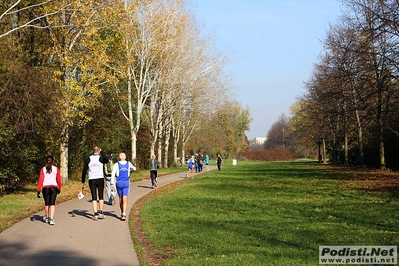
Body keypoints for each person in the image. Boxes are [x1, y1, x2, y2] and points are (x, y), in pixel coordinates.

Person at [81, 146, 109, 221]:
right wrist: (102, 152)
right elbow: (107, 160)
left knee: (94, 196)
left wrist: (83, 180)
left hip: (92, 179)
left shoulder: (89, 158)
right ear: (98, 151)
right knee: (101, 195)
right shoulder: (101, 158)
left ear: (93, 151)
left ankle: (95, 213)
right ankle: (101, 212)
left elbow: (84, 170)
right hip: (100, 178)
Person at [37, 155, 62, 226]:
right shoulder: (56, 169)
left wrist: (38, 189)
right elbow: (59, 180)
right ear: (53, 161)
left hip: (45, 187)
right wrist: (59, 188)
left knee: (47, 203)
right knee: (52, 203)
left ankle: (47, 217)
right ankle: (51, 219)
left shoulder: (43, 169)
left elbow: (41, 180)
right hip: (53, 187)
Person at [111, 152, 136, 221]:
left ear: (119, 157)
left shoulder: (116, 164)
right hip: (126, 182)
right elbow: (134, 168)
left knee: (120, 198)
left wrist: (112, 184)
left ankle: (122, 212)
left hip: (118, 182)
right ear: (125, 157)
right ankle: (124, 213)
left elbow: (113, 174)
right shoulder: (128, 163)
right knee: (125, 198)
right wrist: (131, 169)